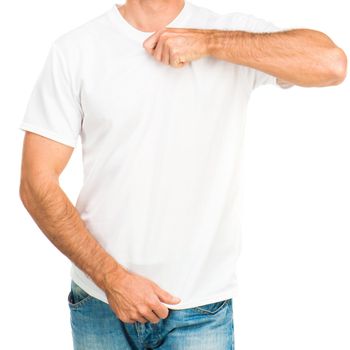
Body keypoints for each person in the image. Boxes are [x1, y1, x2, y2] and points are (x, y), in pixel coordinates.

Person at [18, 0, 347, 349]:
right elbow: (36, 183)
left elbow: (331, 64)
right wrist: (111, 279)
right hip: (100, 301)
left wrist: (210, 43)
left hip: (200, 309)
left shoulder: (230, 34)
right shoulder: (75, 50)